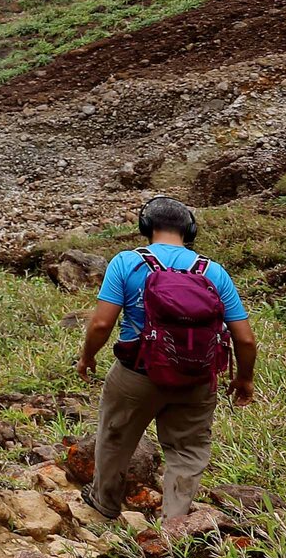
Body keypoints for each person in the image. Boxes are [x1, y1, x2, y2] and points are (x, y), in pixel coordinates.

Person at [77, 196, 258, 532]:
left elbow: (101, 324)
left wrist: (88, 355)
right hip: (197, 378)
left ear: (147, 227)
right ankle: (174, 523)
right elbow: (245, 339)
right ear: (189, 230)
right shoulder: (213, 271)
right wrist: (244, 378)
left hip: (136, 373)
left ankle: (104, 505)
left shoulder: (125, 263)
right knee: (187, 449)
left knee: (115, 437)